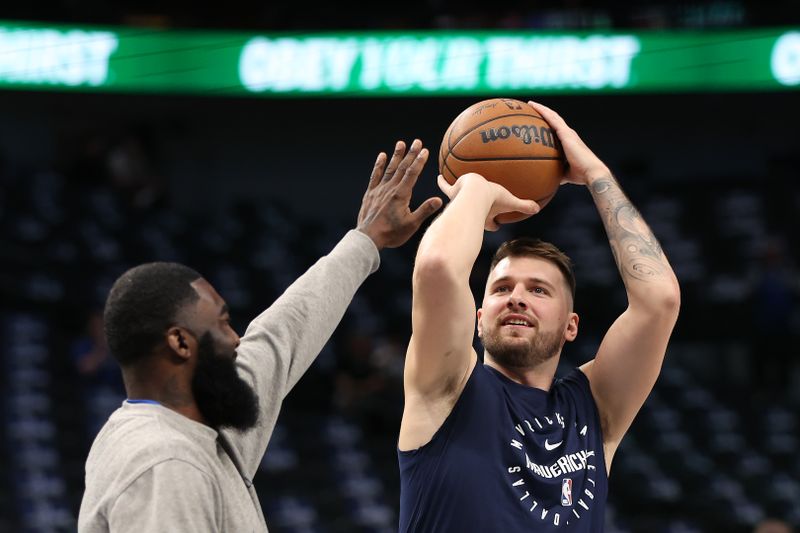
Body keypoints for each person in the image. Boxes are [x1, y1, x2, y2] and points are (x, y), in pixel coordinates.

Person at [77, 139, 442, 533]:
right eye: (222, 323)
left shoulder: (198, 422)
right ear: (180, 343)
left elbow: (280, 335)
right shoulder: (165, 464)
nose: (237, 339)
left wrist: (366, 239)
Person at [398, 102, 681, 531]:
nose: (516, 298)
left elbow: (659, 300)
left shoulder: (594, 409)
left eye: (538, 290)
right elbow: (437, 268)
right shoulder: (447, 387)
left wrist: (595, 175)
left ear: (571, 325)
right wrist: (476, 188)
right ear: (478, 318)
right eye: (501, 288)